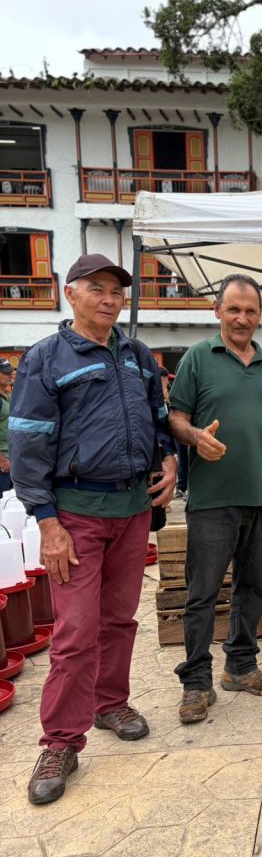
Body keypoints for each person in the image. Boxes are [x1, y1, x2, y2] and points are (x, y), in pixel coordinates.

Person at [8, 253, 177, 804]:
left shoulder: (137, 356)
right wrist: (47, 523)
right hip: (76, 514)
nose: (109, 299)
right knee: (76, 631)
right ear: (71, 293)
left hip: (132, 510)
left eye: (117, 291)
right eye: (97, 288)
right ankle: (61, 740)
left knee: (118, 620)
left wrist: (169, 459)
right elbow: (27, 442)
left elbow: (158, 419)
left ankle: (110, 703)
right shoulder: (46, 358)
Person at [169, 274, 262, 724]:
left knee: (252, 588)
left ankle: (241, 665)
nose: (242, 318)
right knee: (202, 593)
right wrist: (195, 437)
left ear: (259, 315)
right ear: (217, 311)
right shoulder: (198, 357)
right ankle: (196, 682)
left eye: (250, 311)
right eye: (234, 309)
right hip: (213, 498)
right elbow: (176, 418)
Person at [0, 358, 14, 493]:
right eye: (6, 373)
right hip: (2, 463)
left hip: (12, 459)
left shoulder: (10, 396)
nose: (10, 375)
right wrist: (2, 461)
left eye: (11, 372)